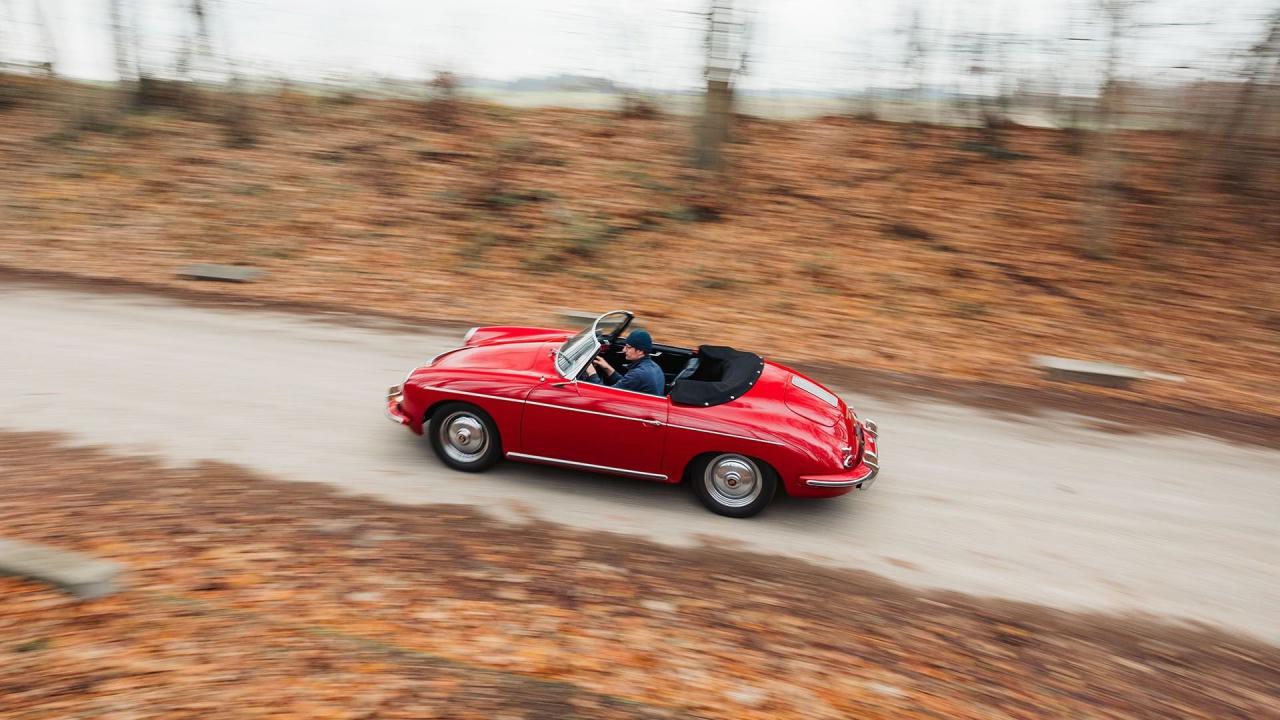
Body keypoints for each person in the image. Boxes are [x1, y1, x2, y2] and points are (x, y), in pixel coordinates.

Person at [585, 329, 665, 396]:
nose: (624, 350)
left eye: (628, 347)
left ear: (640, 351)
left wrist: (592, 373)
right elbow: (625, 384)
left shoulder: (639, 374)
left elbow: (605, 394)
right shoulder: (654, 367)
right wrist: (607, 368)